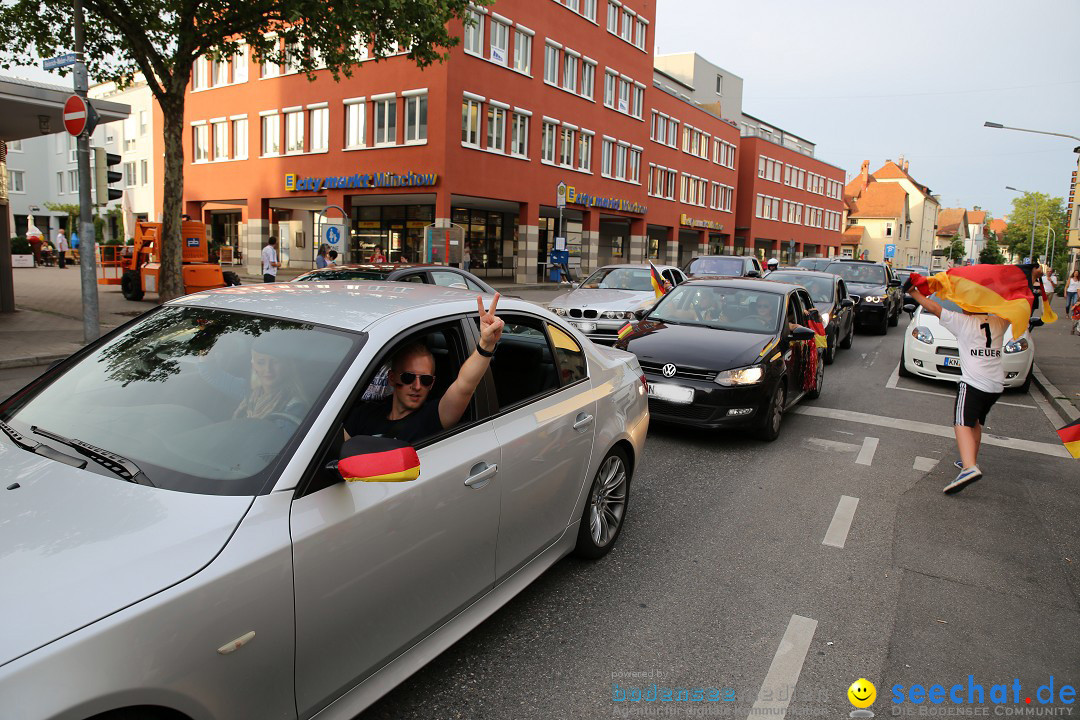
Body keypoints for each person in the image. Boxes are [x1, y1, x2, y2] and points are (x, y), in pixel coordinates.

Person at [345, 294, 505, 444]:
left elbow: (464, 386)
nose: (417, 386)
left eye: (425, 380)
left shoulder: (432, 417)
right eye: (408, 377)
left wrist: (486, 345)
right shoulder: (365, 414)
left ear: (432, 383)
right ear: (392, 378)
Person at [906, 282, 1007, 494]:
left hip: (973, 383)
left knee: (961, 422)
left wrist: (913, 292)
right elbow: (1014, 310)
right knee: (975, 422)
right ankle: (969, 461)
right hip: (995, 385)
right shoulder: (999, 322)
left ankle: (969, 467)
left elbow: (933, 307)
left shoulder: (962, 322)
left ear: (967, 306)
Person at [233, 335, 308, 425]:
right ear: (254, 366)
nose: (268, 369)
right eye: (261, 362)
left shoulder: (294, 408)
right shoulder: (250, 394)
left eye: (275, 362)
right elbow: (213, 376)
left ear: (286, 365)